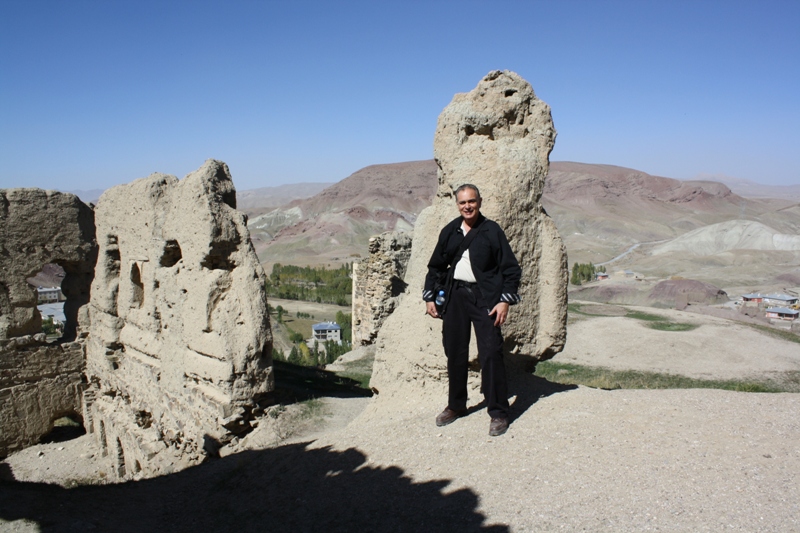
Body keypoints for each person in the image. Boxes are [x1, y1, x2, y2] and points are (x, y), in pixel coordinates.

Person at [423, 184, 521, 436]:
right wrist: (430, 297)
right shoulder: (450, 231)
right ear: (457, 204)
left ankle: (498, 411)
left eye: (472, 201)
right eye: (463, 202)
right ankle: (456, 405)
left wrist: (504, 300)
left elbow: (510, 269)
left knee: (491, 352)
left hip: (485, 297)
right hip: (455, 295)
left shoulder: (491, 231)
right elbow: (435, 267)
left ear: (479, 202)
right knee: (455, 351)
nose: (467, 206)